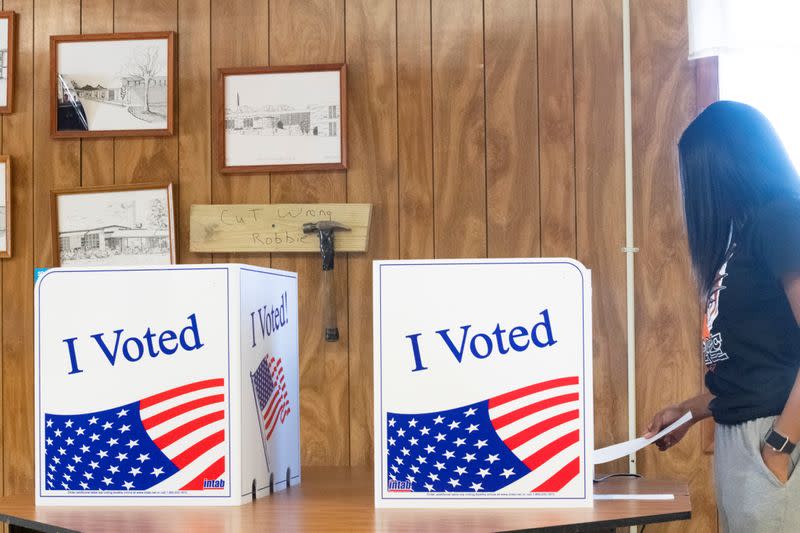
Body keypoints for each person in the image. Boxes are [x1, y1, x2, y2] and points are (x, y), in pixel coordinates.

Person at [644, 100, 800, 532]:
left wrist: (779, 446)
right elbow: (753, 369)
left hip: (773, 439)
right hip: (743, 441)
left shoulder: (780, 218)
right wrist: (687, 411)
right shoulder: (738, 237)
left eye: (696, 174)